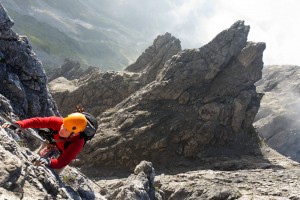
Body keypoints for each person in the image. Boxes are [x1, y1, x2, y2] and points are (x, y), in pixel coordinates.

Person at [2, 112, 88, 174]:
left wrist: (48, 162)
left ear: (75, 133)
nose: (62, 129)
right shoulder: (59, 122)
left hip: (63, 150)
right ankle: (41, 155)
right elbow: (37, 121)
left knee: (56, 171)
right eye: (63, 126)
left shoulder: (77, 143)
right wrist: (19, 125)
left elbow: (63, 161)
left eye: (66, 129)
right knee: (38, 155)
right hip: (53, 141)